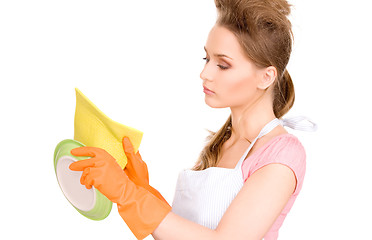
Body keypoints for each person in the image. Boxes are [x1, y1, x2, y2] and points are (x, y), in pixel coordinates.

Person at [69, 0, 317, 239]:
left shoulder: (282, 154)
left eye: (223, 65)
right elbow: (187, 232)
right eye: (206, 58)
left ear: (266, 77)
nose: (204, 73)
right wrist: (142, 188)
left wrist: (129, 194)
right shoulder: (223, 143)